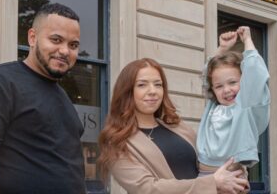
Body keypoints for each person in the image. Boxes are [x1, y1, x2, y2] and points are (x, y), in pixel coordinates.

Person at [0, 3, 86, 193]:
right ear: (32, 37)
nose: (65, 51)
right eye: (56, 40)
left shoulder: (63, 96)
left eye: (73, 45)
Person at [98, 58, 249, 194]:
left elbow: (209, 159)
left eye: (158, 84)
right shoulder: (117, 141)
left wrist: (235, 176)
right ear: (127, 92)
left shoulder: (178, 127)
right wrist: (212, 183)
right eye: (142, 85)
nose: (153, 91)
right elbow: (146, 188)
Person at [196, 26, 271, 176]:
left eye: (232, 82)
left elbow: (255, 72)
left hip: (230, 177)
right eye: (219, 86)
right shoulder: (214, 106)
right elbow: (206, 75)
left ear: (244, 83)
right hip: (203, 176)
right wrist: (222, 49)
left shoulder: (246, 105)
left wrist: (248, 41)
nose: (226, 90)